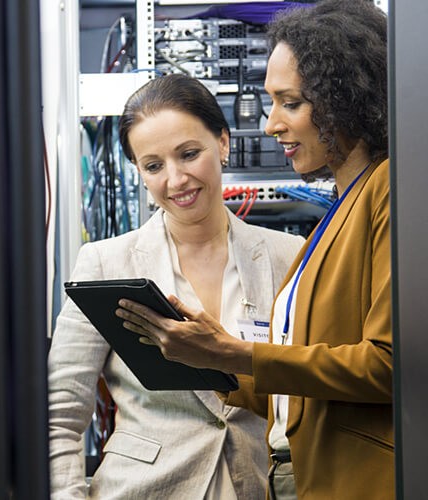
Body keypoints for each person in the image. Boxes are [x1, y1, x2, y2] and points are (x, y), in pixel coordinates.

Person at [116, 1, 392, 499]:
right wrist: (212, 360)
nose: (270, 125)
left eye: (290, 102)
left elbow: (389, 366)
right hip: (297, 476)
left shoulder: (386, 190)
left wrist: (234, 351)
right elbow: (300, 398)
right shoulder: (338, 211)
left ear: (344, 98)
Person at [47, 73, 304, 499]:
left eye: (189, 154)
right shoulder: (106, 263)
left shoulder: (289, 256)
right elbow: (60, 413)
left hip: (258, 486)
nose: (176, 179)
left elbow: (307, 387)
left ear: (222, 143)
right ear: (140, 173)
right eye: (154, 166)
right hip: (144, 488)